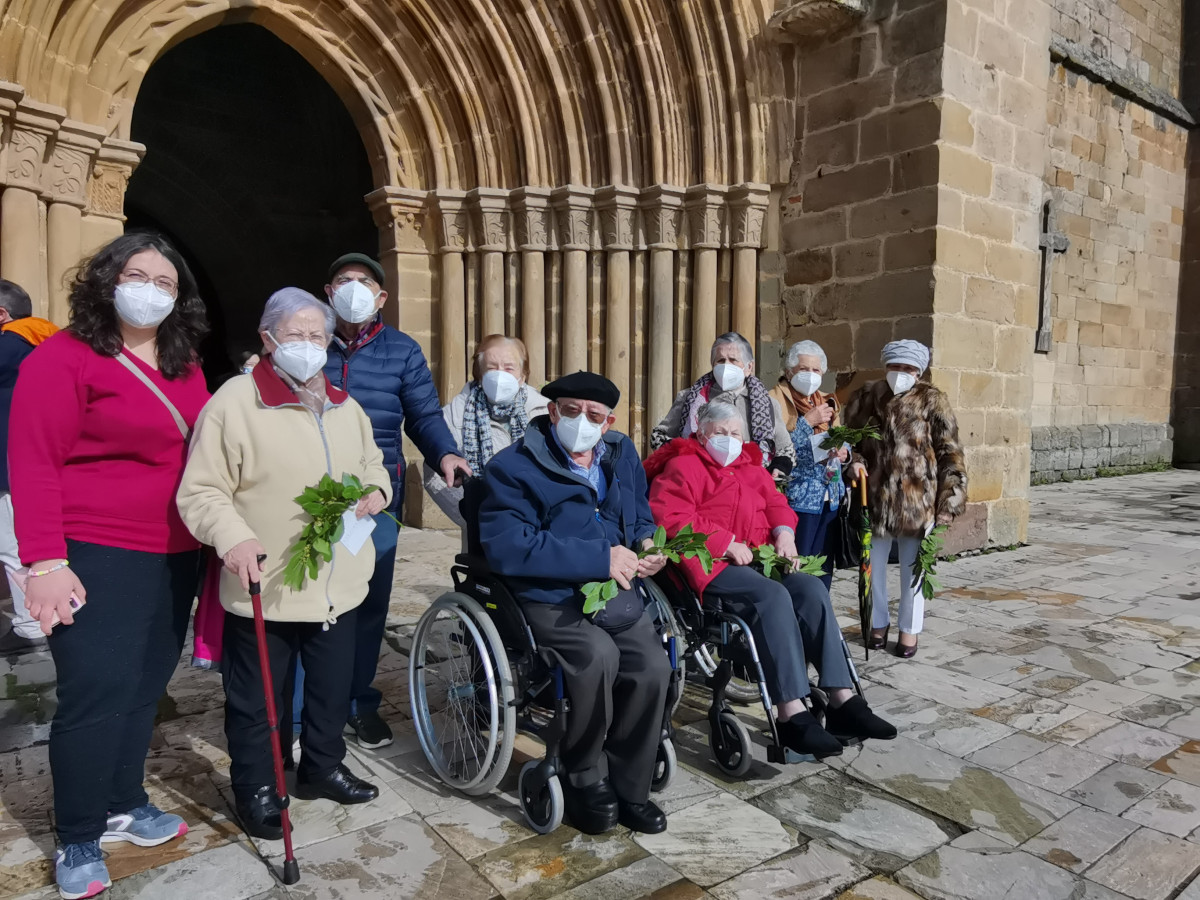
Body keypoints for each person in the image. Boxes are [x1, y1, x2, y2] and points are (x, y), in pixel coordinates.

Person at [10, 233, 210, 900]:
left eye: (165, 282)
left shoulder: (185, 366)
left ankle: (125, 803)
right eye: (137, 274)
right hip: (94, 552)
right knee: (94, 695)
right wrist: (44, 562)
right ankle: (77, 835)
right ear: (106, 279)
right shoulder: (63, 358)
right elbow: (34, 462)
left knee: (142, 687)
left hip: (176, 554)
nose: (150, 289)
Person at [177, 288, 389, 841]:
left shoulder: (347, 405)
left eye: (317, 336)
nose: (308, 346)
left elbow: (374, 462)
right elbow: (202, 491)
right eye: (295, 335)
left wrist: (377, 492)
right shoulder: (234, 402)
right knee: (258, 701)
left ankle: (321, 766)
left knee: (329, 688)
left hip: (337, 584)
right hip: (264, 581)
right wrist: (234, 538)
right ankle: (257, 785)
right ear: (268, 339)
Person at [478, 372, 671, 836]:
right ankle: (583, 774)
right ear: (551, 411)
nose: (581, 421)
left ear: (609, 422)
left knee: (653, 667)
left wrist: (646, 543)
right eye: (571, 410)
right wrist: (598, 557)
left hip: (614, 594)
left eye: (594, 415)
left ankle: (630, 784)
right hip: (547, 593)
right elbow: (508, 545)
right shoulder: (512, 467)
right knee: (595, 658)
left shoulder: (621, 455)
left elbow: (638, 512)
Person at [646, 400, 896, 758]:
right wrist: (725, 542)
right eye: (720, 433)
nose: (729, 439)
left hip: (760, 558)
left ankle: (843, 700)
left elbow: (777, 504)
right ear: (701, 434)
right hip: (711, 564)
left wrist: (784, 533)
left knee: (809, 588)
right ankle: (791, 713)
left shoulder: (751, 468)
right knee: (772, 597)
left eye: (735, 433)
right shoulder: (683, 466)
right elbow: (668, 515)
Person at [322, 252, 470, 750]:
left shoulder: (402, 350)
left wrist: (446, 452)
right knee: (305, 604)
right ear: (328, 291)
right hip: (310, 498)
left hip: (373, 500)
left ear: (382, 297)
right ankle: (304, 711)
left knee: (365, 605)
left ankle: (358, 703)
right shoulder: (305, 344)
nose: (354, 288)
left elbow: (423, 414)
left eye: (364, 282)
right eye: (344, 281)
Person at [842, 340, 967, 658]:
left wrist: (948, 500)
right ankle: (877, 623)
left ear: (919, 370)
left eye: (908, 368)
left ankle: (909, 630)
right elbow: (850, 439)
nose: (901, 373)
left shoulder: (932, 400)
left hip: (917, 500)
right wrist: (853, 461)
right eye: (895, 367)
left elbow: (949, 451)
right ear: (886, 366)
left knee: (914, 569)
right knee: (872, 567)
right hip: (875, 497)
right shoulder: (866, 396)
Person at [423, 334, 550, 528]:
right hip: (483, 530)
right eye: (492, 368)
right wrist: (474, 515)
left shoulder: (545, 413)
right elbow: (434, 475)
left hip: (539, 526)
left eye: (509, 368)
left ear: (523, 375)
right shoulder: (453, 416)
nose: (500, 375)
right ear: (480, 374)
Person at [768, 340, 865, 589]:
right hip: (797, 498)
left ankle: (818, 618)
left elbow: (840, 437)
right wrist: (806, 423)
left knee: (822, 568)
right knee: (795, 567)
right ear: (789, 372)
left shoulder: (827, 402)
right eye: (803, 369)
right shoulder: (774, 401)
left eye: (815, 370)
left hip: (829, 496)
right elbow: (774, 451)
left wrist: (845, 453)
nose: (809, 375)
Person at [0, 279, 59, 651]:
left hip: (7, 471)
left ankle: (31, 625)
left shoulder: (7, 345)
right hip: (36, 465)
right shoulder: (47, 345)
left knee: (12, 547)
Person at [650, 331, 795, 471]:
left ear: (748, 367)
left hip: (751, 480)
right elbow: (659, 436)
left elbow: (786, 449)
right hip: (700, 477)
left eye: (733, 360)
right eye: (720, 361)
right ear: (713, 365)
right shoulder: (688, 398)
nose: (726, 366)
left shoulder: (768, 404)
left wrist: (779, 467)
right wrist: (683, 455)